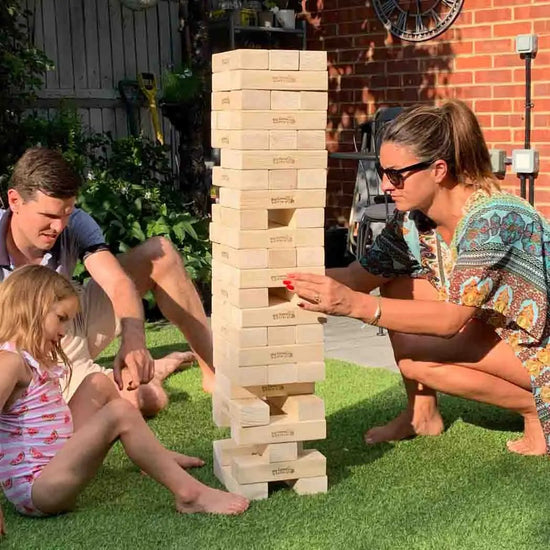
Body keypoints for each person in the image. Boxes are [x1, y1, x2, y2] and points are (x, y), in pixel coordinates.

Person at [285, 99, 550, 456]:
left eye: (396, 174)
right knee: (397, 284)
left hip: (541, 346)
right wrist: (274, 277)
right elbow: (357, 276)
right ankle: (421, 414)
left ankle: (535, 409)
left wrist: (354, 306)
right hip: (506, 332)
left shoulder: (494, 221)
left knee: (418, 359)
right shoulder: (414, 221)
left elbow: (448, 320)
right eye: (382, 172)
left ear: (438, 170)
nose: (385, 185)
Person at [0, 265, 248, 534]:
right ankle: (190, 494)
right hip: (38, 490)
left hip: (54, 462)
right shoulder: (9, 362)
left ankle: (155, 457)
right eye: (60, 318)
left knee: (98, 382)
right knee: (119, 412)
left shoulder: (32, 358)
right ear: (30, 308)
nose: (63, 331)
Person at [3, 147, 215, 418]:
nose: (59, 227)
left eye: (66, 213)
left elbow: (117, 283)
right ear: (15, 200)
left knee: (161, 256)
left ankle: (213, 374)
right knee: (146, 399)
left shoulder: (74, 223)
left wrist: (134, 340)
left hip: (72, 315)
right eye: (50, 216)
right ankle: (154, 371)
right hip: (28, 347)